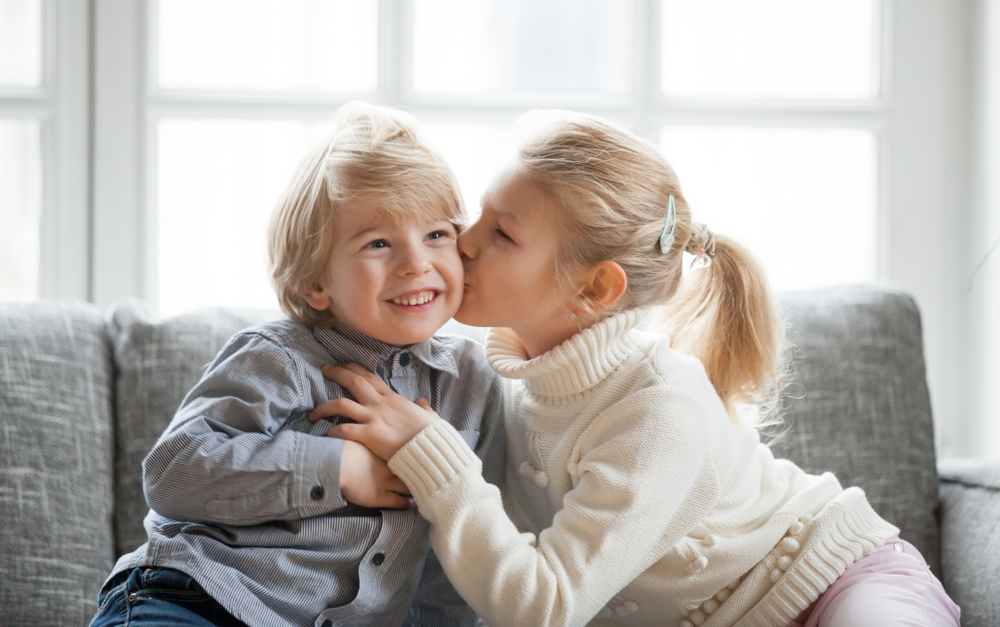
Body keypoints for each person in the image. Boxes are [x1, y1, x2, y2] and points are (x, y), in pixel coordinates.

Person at [313, 109, 961, 627]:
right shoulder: (492, 379)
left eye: (503, 233)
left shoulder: (659, 410)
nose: (463, 239)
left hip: (834, 577)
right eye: (476, 214)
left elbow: (542, 605)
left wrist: (433, 453)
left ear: (594, 290)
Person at [89, 102, 504, 627]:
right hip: (198, 597)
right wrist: (339, 468)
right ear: (316, 282)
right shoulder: (278, 356)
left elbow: (460, 557)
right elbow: (172, 474)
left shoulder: (474, 382)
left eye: (437, 234)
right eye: (379, 243)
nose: (416, 262)